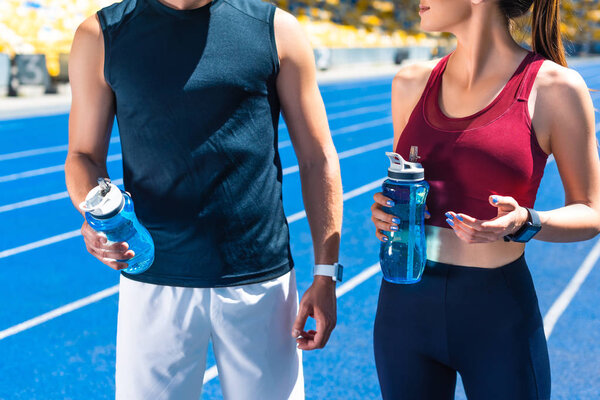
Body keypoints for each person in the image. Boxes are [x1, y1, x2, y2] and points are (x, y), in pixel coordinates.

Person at [64, 0, 344, 398]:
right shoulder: (100, 35)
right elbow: (82, 157)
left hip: (260, 281)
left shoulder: (277, 31)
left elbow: (318, 158)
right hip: (155, 278)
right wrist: (95, 210)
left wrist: (326, 273)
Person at [370, 0, 600, 398]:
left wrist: (525, 222)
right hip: (403, 306)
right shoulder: (410, 83)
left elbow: (592, 210)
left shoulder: (555, 88)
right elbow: (408, 187)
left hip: (497, 316)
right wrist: (386, 211)